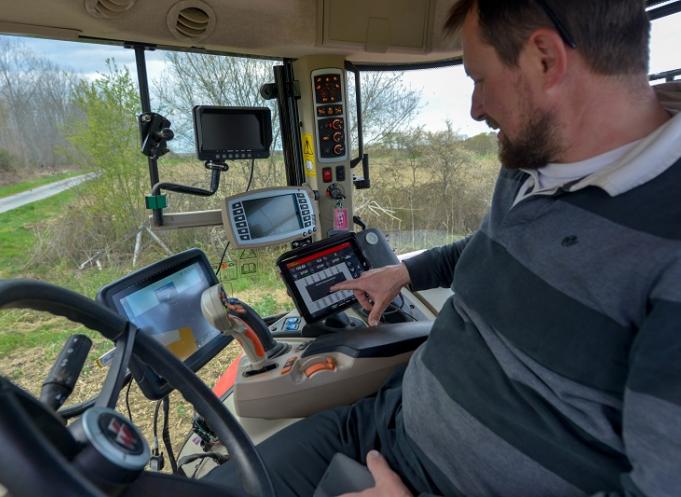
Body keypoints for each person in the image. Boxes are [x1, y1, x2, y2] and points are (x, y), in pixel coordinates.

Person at [207, 1, 681, 495]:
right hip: (382, 424)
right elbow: (494, 248)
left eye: (479, 79)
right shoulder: (534, 164)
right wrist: (405, 274)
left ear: (545, 58)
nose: (476, 109)